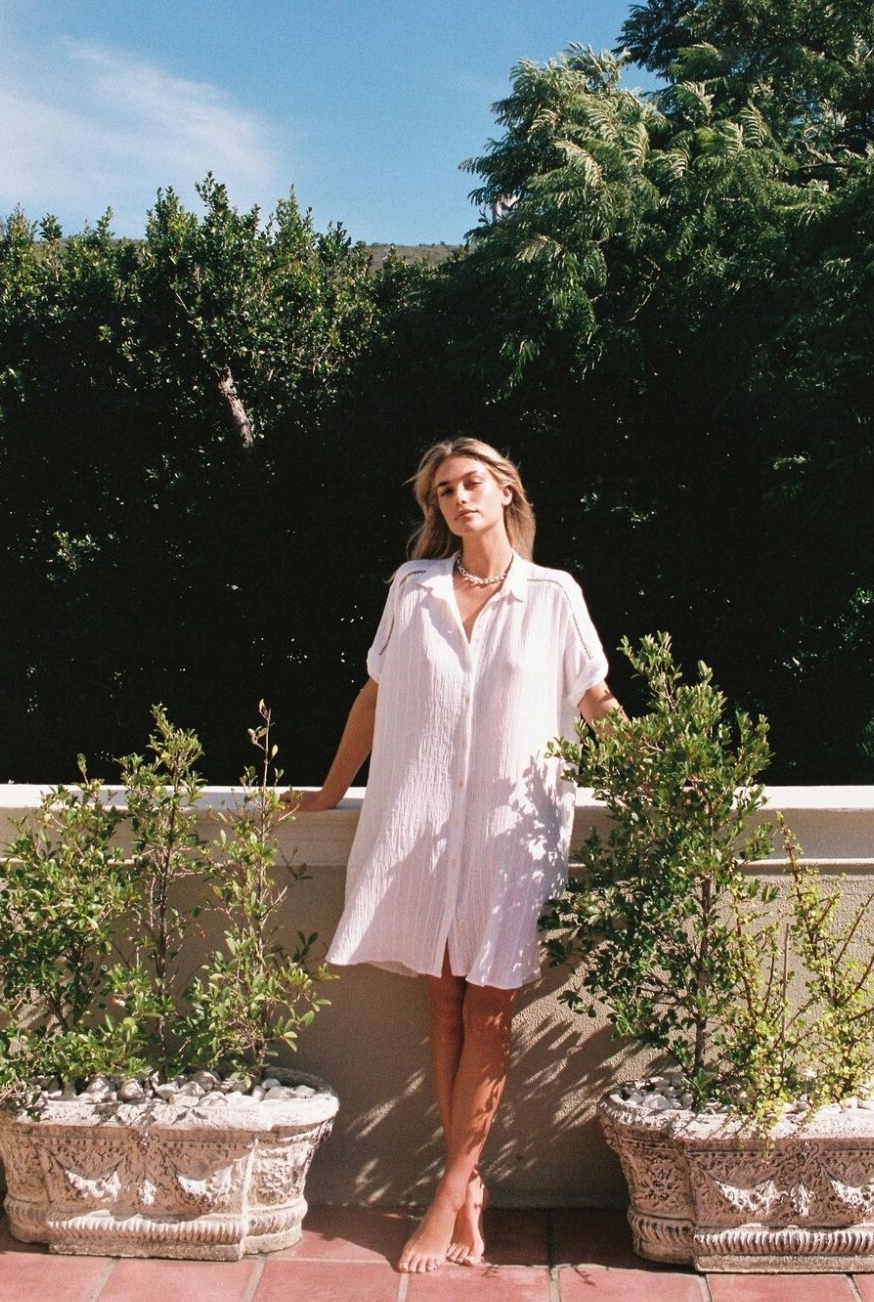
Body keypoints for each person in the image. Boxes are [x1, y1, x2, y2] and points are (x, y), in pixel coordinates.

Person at [289, 437, 621, 1273]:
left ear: (505, 490)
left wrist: (660, 777)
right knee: (443, 1003)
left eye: (472, 482)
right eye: (444, 491)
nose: (459, 498)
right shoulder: (413, 589)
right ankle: (467, 1187)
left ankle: (446, 1195)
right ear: (434, 507)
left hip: (514, 832)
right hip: (423, 826)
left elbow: (594, 700)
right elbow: (374, 694)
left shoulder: (553, 594)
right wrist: (329, 793)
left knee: (490, 1008)